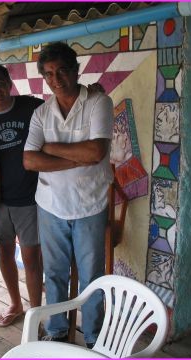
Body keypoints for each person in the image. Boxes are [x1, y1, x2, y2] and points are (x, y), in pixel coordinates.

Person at [23, 42, 114, 348]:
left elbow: (97, 150)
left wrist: (49, 148)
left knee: (91, 275)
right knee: (55, 272)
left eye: (62, 70)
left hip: (90, 205)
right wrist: (77, 158)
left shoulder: (98, 102)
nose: (56, 78)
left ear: (76, 70)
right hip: (50, 206)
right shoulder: (41, 113)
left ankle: (93, 336)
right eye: (48, 73)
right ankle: (58, 330)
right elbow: (29, 160)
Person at [0, 64, 44, 327]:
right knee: (4, 254)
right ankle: (15, 303)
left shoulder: (31, 106)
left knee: (31, 258)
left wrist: (89, 92)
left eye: (0, 83)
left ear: (9, 83)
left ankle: (36, 314)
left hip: (30, 197)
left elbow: (61, 107)